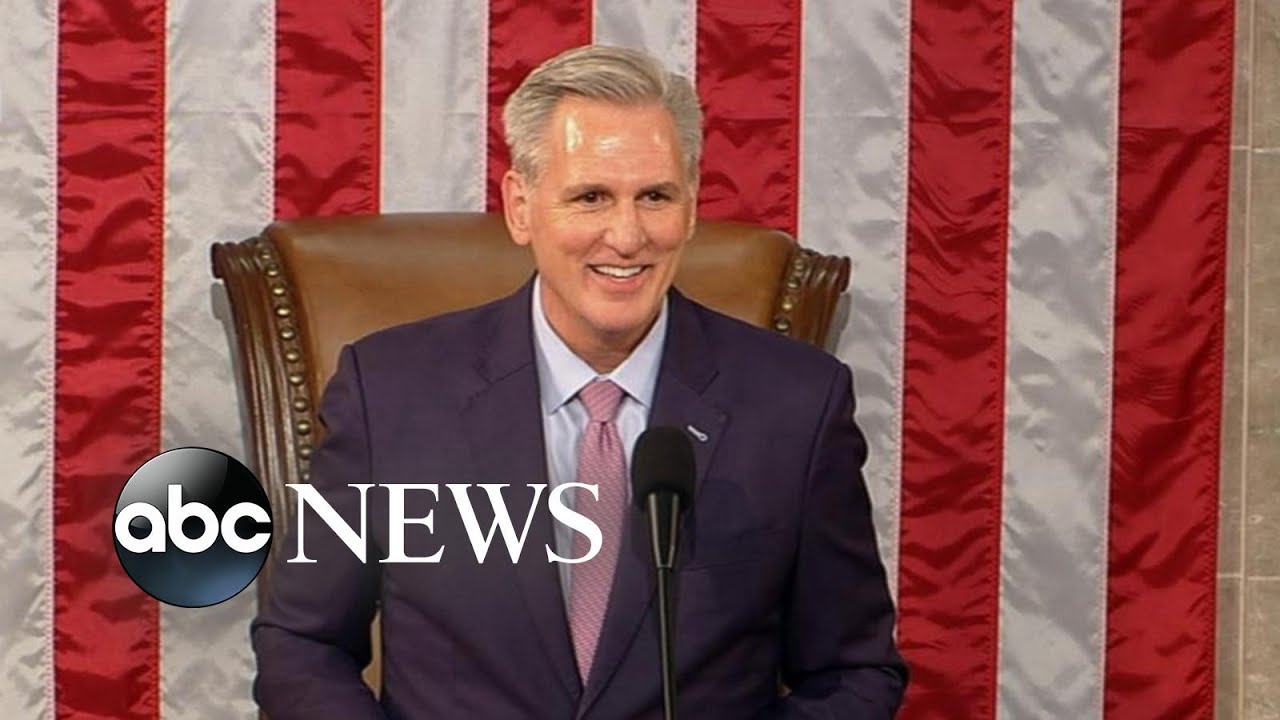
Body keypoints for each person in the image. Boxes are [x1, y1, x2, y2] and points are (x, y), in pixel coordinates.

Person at [252, 44, 907, 719]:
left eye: (654, 196)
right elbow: (303, 646)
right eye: (590, 196)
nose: (626, 237)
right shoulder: (390, 392)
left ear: (688, 208)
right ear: (521, 206)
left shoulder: (796, 404)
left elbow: (852, 673)